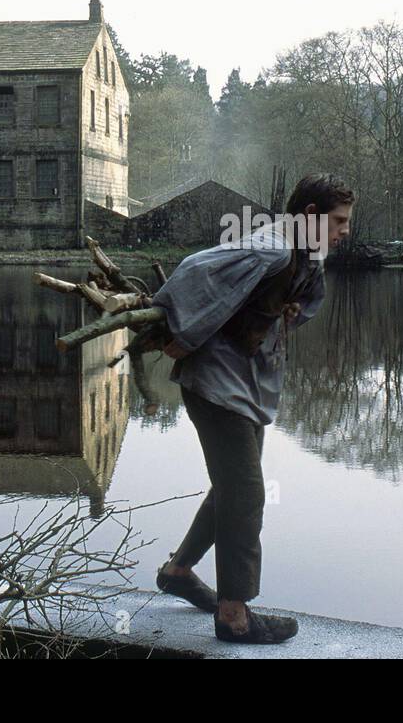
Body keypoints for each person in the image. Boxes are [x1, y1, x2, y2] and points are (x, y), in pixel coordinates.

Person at [151, 173, 354, 644]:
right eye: (338, 221)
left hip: (245, 386)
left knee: (231, 488)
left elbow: (300, 302)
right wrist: (179, 335)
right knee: (246, 493)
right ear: (309, 216)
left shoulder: (305, 255)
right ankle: (234, 615)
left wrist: (288, 310)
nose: (344, 231)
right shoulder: (273, 248)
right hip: (217, 385)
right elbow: (197, 270)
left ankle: (178, 572)